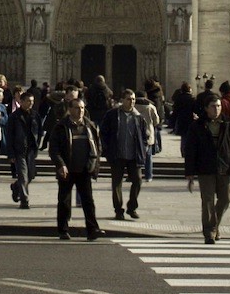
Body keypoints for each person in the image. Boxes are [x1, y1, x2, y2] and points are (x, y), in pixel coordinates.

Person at [184, 92, 230, 242]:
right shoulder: (197, 126)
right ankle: (209, 232)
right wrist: (190, 172)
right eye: (213, 106)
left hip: (225, 167)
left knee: (226, 199)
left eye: (218, 106)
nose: (216, 109)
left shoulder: (229, 124)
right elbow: (190, 150)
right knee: (208, 201)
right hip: (205, 169)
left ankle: (214, 225)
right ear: (206, 108)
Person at [48, 96, 105, 240]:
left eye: (82, 108)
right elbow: (54, 149)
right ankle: (63, 229)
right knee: (64, 201)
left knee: (88, 201)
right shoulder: (61, 126)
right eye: (76, 108)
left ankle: (93, 230)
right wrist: (60, 164)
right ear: (69, 109)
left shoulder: (89, 125)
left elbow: (97, 147)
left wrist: (94, 166)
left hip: (84, 169)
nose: (80, 111)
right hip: (67, 169)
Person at [99, 89, 148, 219]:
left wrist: (143, 148)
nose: (131, 102)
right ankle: (118, 210)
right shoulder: (113, 115)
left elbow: (144, 135)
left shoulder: (138, 117)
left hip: (134, 155)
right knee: (116, 183)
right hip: (117, 154)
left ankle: (132, 207)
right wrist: (107, 148)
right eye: (128, 99)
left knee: (137, 180)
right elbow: (103, 132)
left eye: (133, 99)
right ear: (122, 100)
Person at [5, 91, 41, 208]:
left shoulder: (35, 115)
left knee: (30, 175)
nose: (31, 103)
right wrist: (10, 154)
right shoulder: (14, 117)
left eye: (32, 101)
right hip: (19, 150)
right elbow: (9, 136)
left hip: (31, 150)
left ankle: (16, 187)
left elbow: (39, 132)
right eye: (28, 101)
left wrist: (37, 145)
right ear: (21, 101)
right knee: (23, 176)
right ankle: (24, 200)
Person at [134, 90, 160, 182]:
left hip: (134, 132)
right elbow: (156, 120)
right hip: (148, 132)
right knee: (148, 156)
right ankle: (148, 175)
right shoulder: (150, 107)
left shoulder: (132, 106)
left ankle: (133, 175)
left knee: (134, 155)